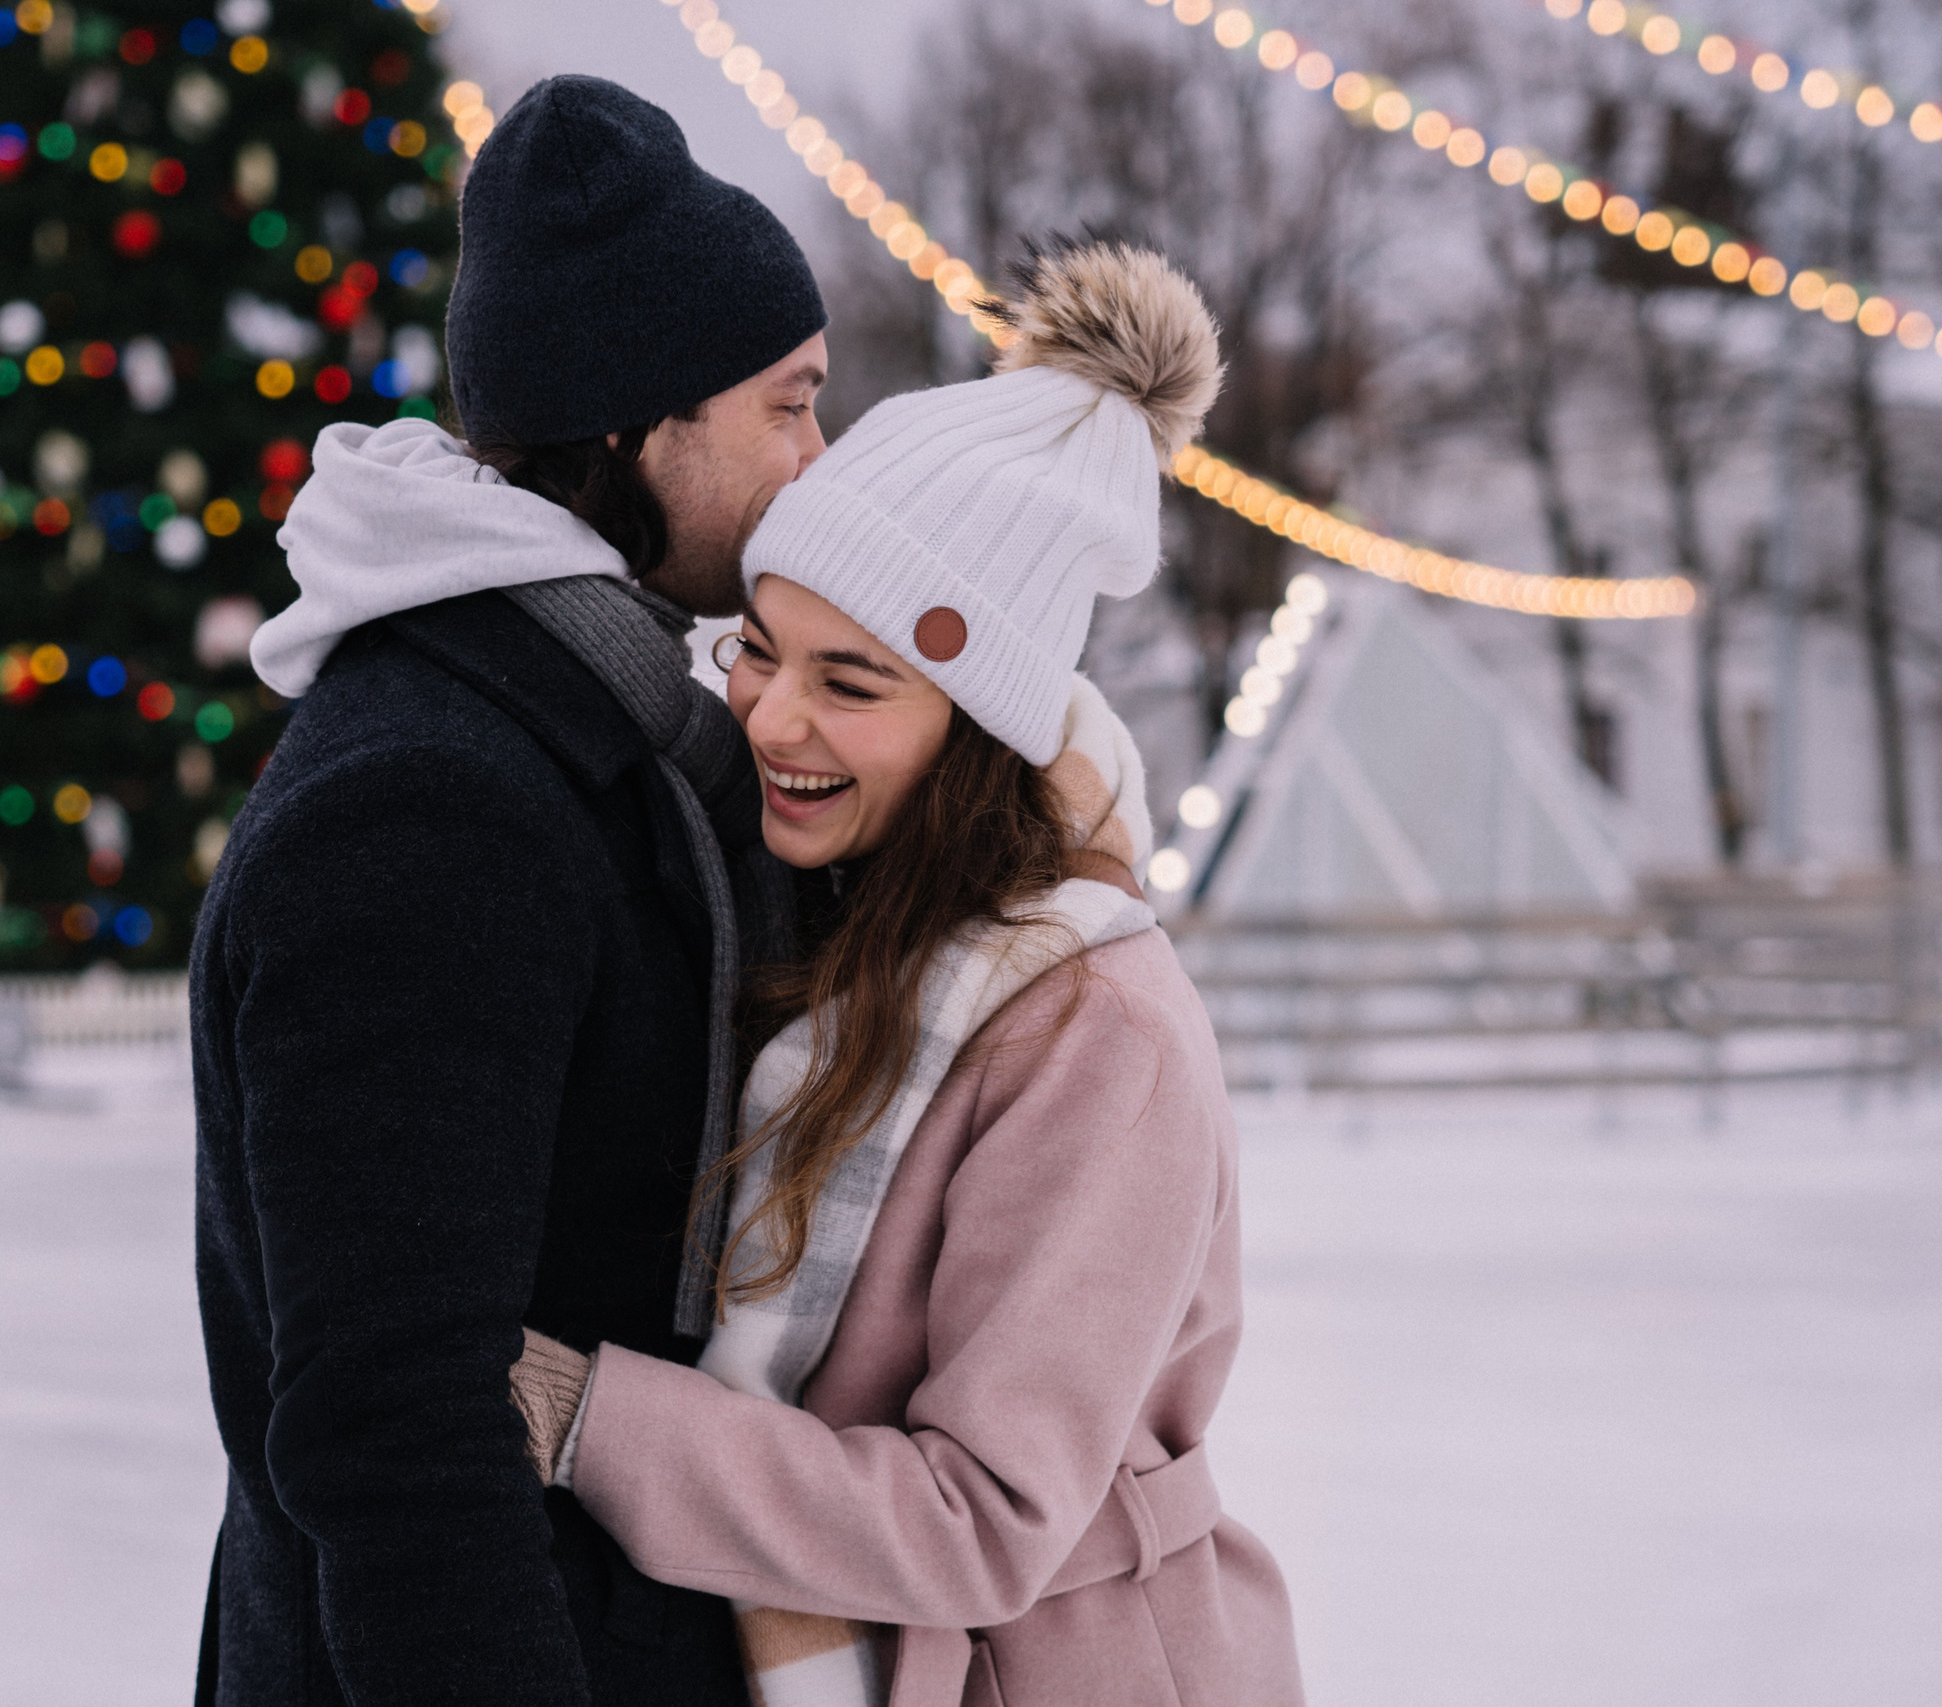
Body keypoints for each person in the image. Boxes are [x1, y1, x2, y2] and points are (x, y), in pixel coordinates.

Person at [506, 242, 1305, 1707]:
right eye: (761, 651)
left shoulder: (1096, 1035)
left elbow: (982, 1516)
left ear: (978, 725)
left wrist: (588, 1416)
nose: (773, 719)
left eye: (852, 681)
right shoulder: (844, 917)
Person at [193, 76, 827, 1705]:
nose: (816, 464)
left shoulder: (588, 730)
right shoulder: (432, 808)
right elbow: (398, 1419)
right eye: (789, 408)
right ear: (636, 427)